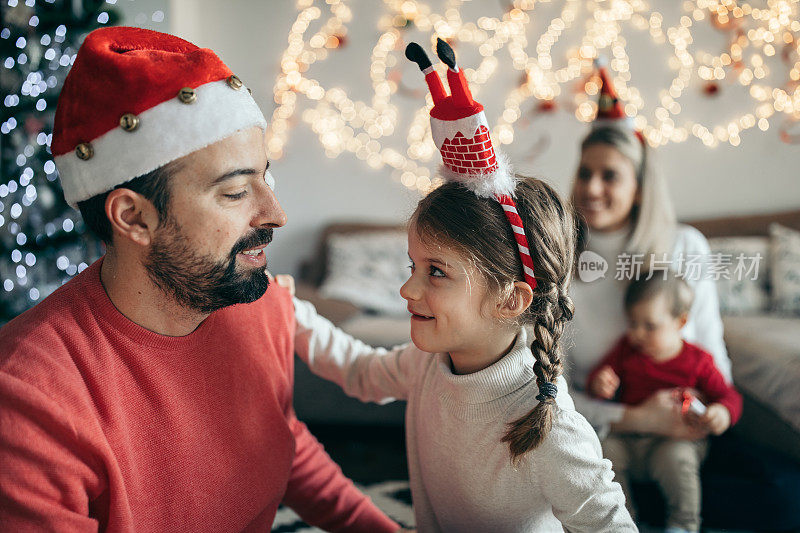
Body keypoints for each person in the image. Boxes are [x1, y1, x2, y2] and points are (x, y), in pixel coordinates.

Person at [0, 27, 401, 532]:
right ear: (134, 218)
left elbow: (282, 443)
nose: (275, 213)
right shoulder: (30, 394)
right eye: (235, 193)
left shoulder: (262, 307)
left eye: (265, 176)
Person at [283, 40, 636, 532]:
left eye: (436, 271)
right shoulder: (428, 365)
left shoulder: (551, 430)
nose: (407, 290)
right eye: (413, 266)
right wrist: (291, 313)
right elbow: (359, 370)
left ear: (510, 299)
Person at [566, 60, 733, 441]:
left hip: (681, 431)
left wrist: (707, 414)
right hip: (593, 432)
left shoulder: (685, 246)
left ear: (639, 188)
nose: (591, 189)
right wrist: (634, 418)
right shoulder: (559, 257)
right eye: (584, 173)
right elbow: (551, 390)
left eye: (609, 176)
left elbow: (713, 356)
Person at [586, 274, 742, 532]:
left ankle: (683, 523)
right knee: (605, 451)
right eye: (633, 323)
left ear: (680, 322)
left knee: (676, 458)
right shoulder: (627, 350)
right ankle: (623, 521)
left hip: (674, 441)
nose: (637, 333)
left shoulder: (698, 361)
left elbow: (729, 396)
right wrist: (599, 383)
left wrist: (721, 413)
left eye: (649, 326)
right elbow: (599, 377)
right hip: (631, 438)